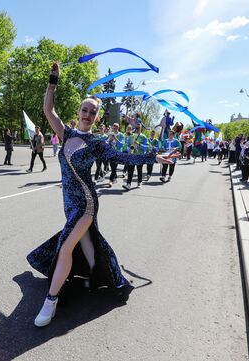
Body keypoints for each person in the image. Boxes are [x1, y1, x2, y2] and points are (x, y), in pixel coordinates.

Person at [27, 62, 173, 328]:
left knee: (66, 247)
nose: (87, 114)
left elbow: (123, 157)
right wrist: (52, 81)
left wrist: (154, 156)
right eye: (85, 109)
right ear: (78, 112)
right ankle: (100, 279)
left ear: (97, 118)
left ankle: (50, 301)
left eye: (93, 112)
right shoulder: (65, 132)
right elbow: (48, 109)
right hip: (68, 204)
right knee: (88, 247)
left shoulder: (97, 144)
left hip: (86, 204)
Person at [123, 122, 149, 190]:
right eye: (137, 126)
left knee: (139, 169)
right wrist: (129, 149)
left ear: (141, 128)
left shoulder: (144, 137)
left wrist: (139, 145)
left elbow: (146, 147)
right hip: (132, 155)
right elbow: (127, 144)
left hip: (140, 155)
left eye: (139, 127)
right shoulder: (132, 136)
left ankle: (139, 182)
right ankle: (128, 184)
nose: (137, 128)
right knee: (130, 170)